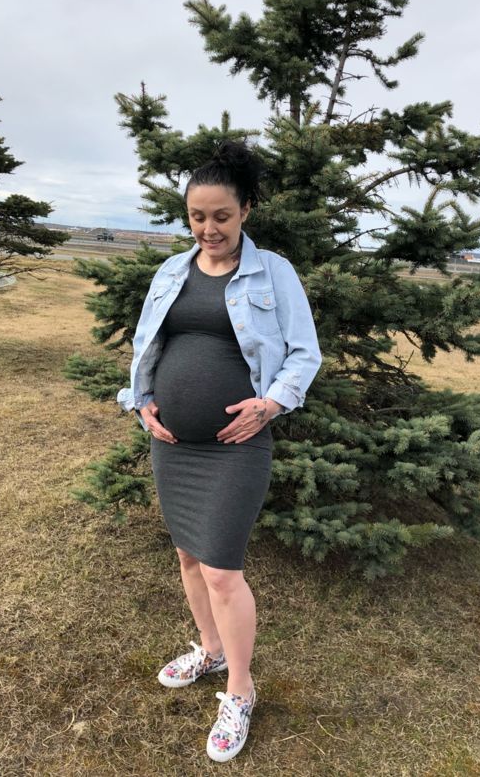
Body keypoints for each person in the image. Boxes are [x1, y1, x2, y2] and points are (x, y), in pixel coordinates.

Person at [117, 139, 321, 763]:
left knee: (223, 571)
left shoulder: (273, 272)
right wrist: (141, 401)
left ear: (246, 211)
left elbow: (303, 353)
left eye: (222, 216)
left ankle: (240, 688)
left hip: (237, 446)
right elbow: (146, 345)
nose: (209, 229)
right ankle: (208, 651)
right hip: (174, 445)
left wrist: (271, 404)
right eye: (198, 216)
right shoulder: (171, 272)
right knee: (188, 555)